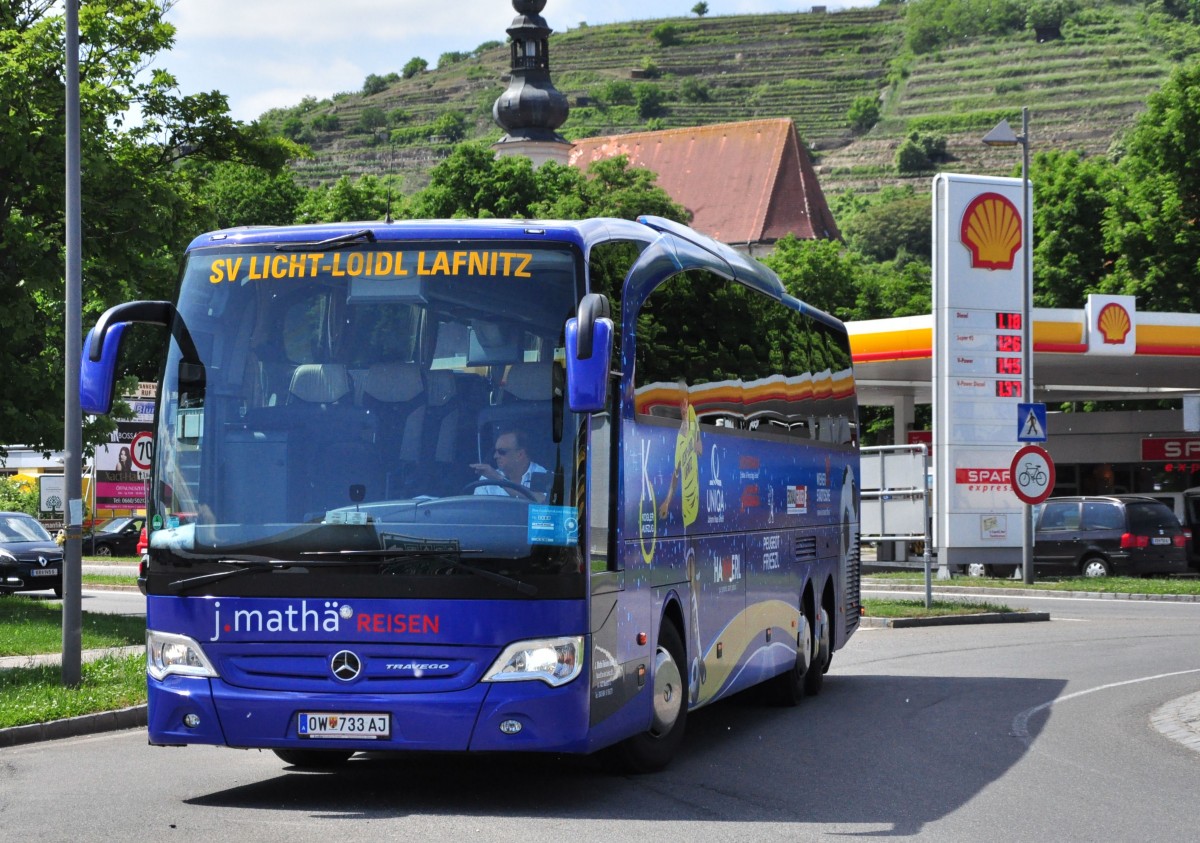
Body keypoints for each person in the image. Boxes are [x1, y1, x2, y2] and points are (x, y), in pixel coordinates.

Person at [470, 429, 547, 502]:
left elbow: (544, 502)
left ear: (520, 455)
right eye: (495, 451)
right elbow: (479, 512)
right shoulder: (487, 479)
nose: (495, 456)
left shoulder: (543, 476)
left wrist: (499, 479)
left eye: (501, 452)